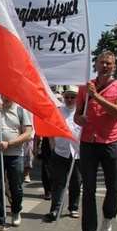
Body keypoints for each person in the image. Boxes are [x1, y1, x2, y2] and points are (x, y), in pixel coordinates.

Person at [74, 50, 117, 231]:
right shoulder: (84, 87)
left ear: (114, 67)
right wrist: (79, 119)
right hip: (88, 142)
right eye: (102, 62)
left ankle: (109, 216)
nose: (105, 66)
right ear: (96, 65)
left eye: (109, 63)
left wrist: (95, 96)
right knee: (88, 189)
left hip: (110, 142)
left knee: (114, 187)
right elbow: (77, 115)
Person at [0, 95, 33, 231]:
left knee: (15, 186)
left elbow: (27, 134)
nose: (6, 98)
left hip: (15, 155)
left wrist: (9, 144)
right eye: (3, 95)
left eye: (9, 95)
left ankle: (16, 210)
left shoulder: (20, 111)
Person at [45, 86, 83, 221]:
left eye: (72, 97)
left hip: (77, 154)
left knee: (76, 182)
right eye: (67, 97)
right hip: (60, 152)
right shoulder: (58, 112)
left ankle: (73, 208)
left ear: (77, 98)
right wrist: (53, 148)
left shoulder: (82, 112)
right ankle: (55, 209)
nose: (69, 100)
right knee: (58, 182)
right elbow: (50, 132)